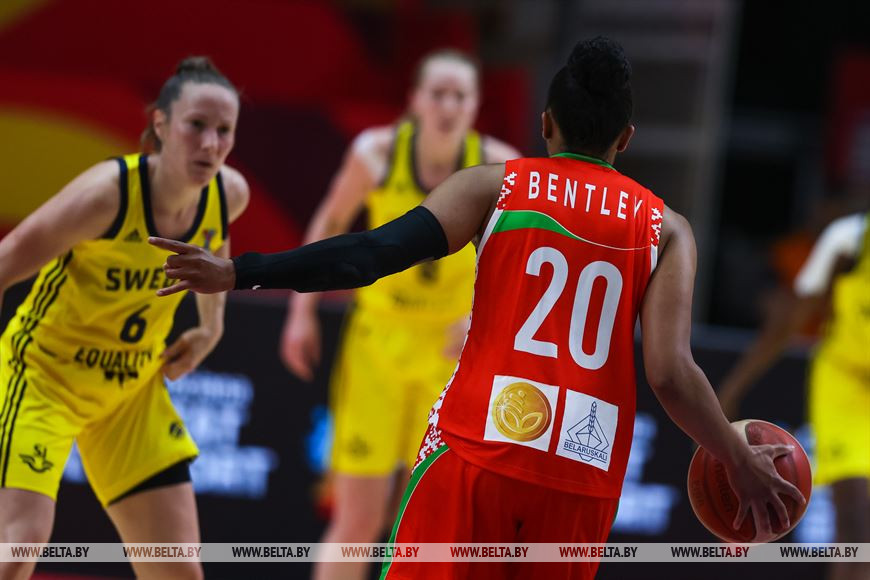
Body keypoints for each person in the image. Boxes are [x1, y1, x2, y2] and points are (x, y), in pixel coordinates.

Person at [150, 38, 804, 580]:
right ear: (626, 138)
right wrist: (735, 459)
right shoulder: (665, 228)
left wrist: (241, 271)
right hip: (583, 471)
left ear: (546, 124)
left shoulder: (499, 186)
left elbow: (370, 254)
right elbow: (670, 373)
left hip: (479, 447)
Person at [0, 56, 249, 580]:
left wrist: (211, 325)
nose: (211, 144)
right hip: (43, 377)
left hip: (129, 390)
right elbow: (5, 264)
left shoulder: (228, 194)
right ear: (161, 124)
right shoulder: (106, 195)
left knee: (178, 570)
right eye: (196, 125)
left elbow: (215, 244)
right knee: (16, 548)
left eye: (224, 130)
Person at [278, 49, 518, 580]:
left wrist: (483, 319)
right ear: (414, 100)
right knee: (357, 519)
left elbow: (519, 262)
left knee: (430, 521)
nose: (448, 106)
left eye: (460, 96)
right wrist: (301, 312)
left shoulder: (500, 165)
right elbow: (331, 222)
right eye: (438, 94)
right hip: (378, 346)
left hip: (451, 355)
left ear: (476, 105)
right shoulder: (378, 153)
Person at [719, 212, 869, 580]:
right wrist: (733, 388)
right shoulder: (848, 239)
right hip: (847, 384)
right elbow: (788, 321)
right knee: (855, 520)